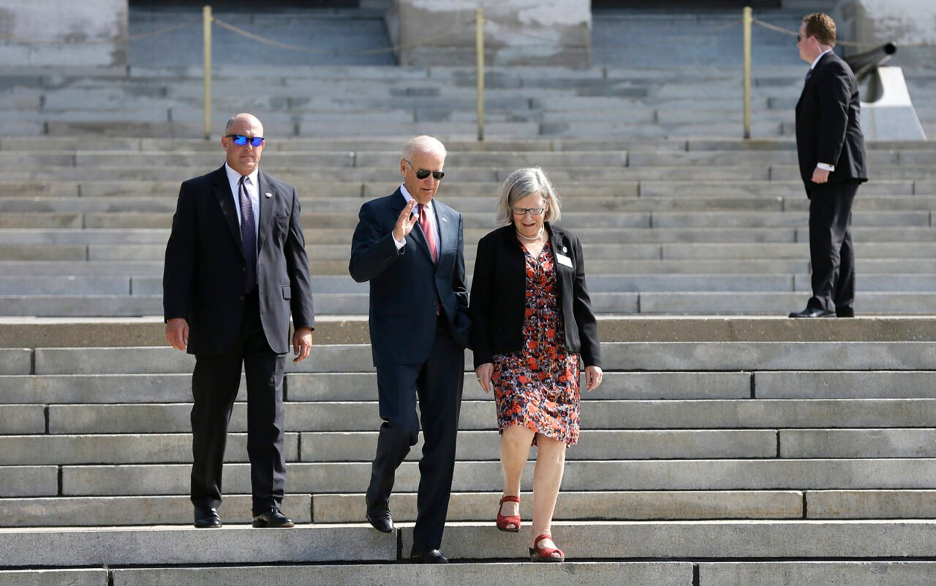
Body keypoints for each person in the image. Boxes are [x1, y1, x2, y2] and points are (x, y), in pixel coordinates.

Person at [163, 113, 315, 529]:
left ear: (264, 145)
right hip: (215, 322)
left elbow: (296, 260)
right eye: (241, 139)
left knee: (269, 418)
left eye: (256, 140)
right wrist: (176, 314)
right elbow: (180, 256)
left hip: (269, 321)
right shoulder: (197, 192)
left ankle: (268, 504)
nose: (249, 147)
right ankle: (206, 503)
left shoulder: (283, 193)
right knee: (211, 415)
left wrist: (304, 322)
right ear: (225, 143)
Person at [469, 167, 603, 563]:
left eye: (535, 209)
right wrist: (483, 357)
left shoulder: (567, 243)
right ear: (508, 209)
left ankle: (542, 534)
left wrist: (592, 357)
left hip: (560, 358)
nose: (528, 218)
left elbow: (582, 303)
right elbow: (480, 306)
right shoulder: (493, 246)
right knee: (517, 429)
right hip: (513, 353)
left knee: (553, 446)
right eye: (519, 210)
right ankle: (511, 492)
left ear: (548, 204)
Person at [349, 135, 470, 564]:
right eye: (424, 173)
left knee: (443, 443)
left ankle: (427, 542)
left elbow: (455, 283)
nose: (431, 181)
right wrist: (395, 238)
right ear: (404, 168)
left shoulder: (453, 218)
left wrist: (470, 332)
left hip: (444, 344)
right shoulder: (377, 212)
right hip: (397, 341)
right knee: (403, 427)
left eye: (439, 174)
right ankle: (378, 493)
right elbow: (358, 269)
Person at [789, 12, 868, 319]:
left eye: (799, 38)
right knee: (840, 237)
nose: (797, 44)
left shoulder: (832, 68)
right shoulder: (823, 70)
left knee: (824, 233)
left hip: (836, 169)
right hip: (840, 169)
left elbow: (837, 118)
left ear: (812, 39)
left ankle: (822, 302)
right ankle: (842, 304)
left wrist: (825, 163)